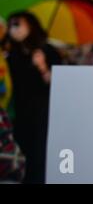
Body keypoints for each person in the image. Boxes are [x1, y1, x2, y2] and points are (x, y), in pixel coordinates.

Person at [1, 12, 62, 183]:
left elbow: (58, 84)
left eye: (18, 23)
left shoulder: (47, 51)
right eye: (11, 24)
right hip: (19, 115)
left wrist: (43, 67)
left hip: (43, 113)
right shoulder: (11, 54)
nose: (14, 29)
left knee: (41, 155)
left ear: (30, 25)